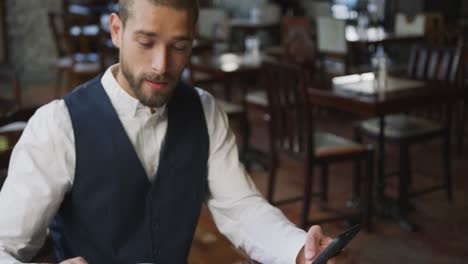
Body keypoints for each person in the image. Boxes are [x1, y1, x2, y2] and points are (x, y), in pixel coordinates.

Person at [0, 1, 351, 263]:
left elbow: (241, 209)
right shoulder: (57, 125)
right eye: (146, 42)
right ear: (117, 30)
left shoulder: (205, 111)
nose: (161, 65)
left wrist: (298, 250)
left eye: (179, 46)